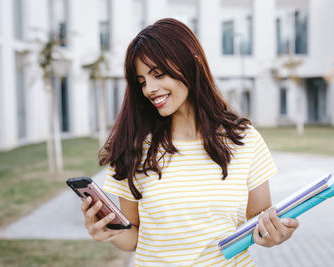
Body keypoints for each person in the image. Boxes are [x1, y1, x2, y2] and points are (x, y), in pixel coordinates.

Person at [81, 18, 299, 266]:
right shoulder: (134, 147)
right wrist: (108, 231)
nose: (149, 89)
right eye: (141, 82)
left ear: (190, 62)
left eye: (157, 74)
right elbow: (133, 239)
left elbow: (259, 222)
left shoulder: (244, 139)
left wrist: (273, 234)